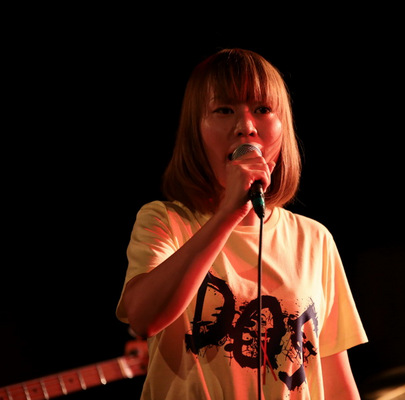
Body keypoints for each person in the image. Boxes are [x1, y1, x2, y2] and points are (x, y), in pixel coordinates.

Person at [116, 48, 368, 399]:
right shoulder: (165, 221)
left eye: (263, 109)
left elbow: (335, 380)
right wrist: (228, 214)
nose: (246, 126)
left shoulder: (314, 239)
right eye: (224, 110)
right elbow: (143, 317)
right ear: (195, 130)